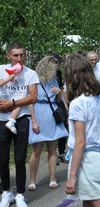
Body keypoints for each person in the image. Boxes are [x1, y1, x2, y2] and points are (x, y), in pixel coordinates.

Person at [64, 54, 100, 207]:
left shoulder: (78, 104)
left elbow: (80, 142)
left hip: (87, 160)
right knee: (88, 199)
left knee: (98, 200)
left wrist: (72, 176)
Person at [0, 43, 39, 207]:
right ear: (8, 55)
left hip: (21, 118)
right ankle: (6, 192)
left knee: (20, 158)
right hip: (2, 118)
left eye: (22, 55)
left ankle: (20, 194)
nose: (19, 58)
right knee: (2, 159)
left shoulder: (31, 73)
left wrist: (12, 102)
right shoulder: (1, 69)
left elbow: (33, 97)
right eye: (15, 55)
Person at [27, 56, 68, 191]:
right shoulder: (34, 79)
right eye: (55, 66)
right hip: (38, 113)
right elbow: (30, 102)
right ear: (48, 66)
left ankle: (53, 179)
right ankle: (32, 180)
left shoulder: (54, 79)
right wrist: (33, 121)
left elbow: (58, 99)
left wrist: (59, 92)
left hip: (51, 115)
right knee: (36, 151)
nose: (57, 68)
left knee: (52, 149)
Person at [0, 63, 22, 134]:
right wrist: (9, 78)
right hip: (2, 99)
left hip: (4, 98)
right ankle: (11, 122)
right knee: (18, 104)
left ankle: (11, 121)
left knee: (17, 105)